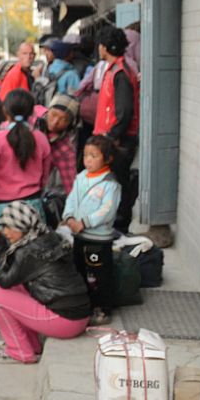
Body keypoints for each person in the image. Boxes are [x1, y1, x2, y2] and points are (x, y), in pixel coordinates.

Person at [0, 202, 91, 364]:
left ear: (23, 227)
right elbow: (18, 275)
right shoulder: (49, 237)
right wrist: (2, 264)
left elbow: (4, 282)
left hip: (64, 322)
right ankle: (31, 344)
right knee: (16, 286)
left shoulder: (27, 250)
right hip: (79, 317)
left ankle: (19, 352)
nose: (5, 232)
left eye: (9, 227)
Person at [0, 90, 51, 304]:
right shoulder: (41, 138)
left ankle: (5, 302)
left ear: (5, 110)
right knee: (33, 256)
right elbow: (45, 176)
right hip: (32, 206)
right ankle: (31, 302)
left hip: (0, 210)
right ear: (32, 111)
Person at [63, 135, 123, 326]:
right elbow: (71, 199)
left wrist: (84, 222)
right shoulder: (81, 177)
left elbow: (107, 210)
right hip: (80, 236)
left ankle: (103, 308)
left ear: (107, 159)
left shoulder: (110, 184)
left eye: (94, 156)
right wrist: (69, 217)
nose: (88, 160)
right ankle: (85, 304)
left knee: (99, 274)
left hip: (98, 240)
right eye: (86, 155)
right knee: (79, 270)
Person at [93, 25, 140, 234]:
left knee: (118, 186)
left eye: (100, 45)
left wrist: (112, 136)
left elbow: (125, 111)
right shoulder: (114, 69)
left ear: (105, 47)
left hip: (118, 140)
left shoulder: (120, 73)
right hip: (112, 139)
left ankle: (119, 228)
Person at [38, 94, 80, 226]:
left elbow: (70, 183)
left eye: (63, 119)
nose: (55, 122)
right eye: (53, 114)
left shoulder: (65, 147)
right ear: (48, 110)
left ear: (70, 124)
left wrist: (74, 215)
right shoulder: (32, 120)